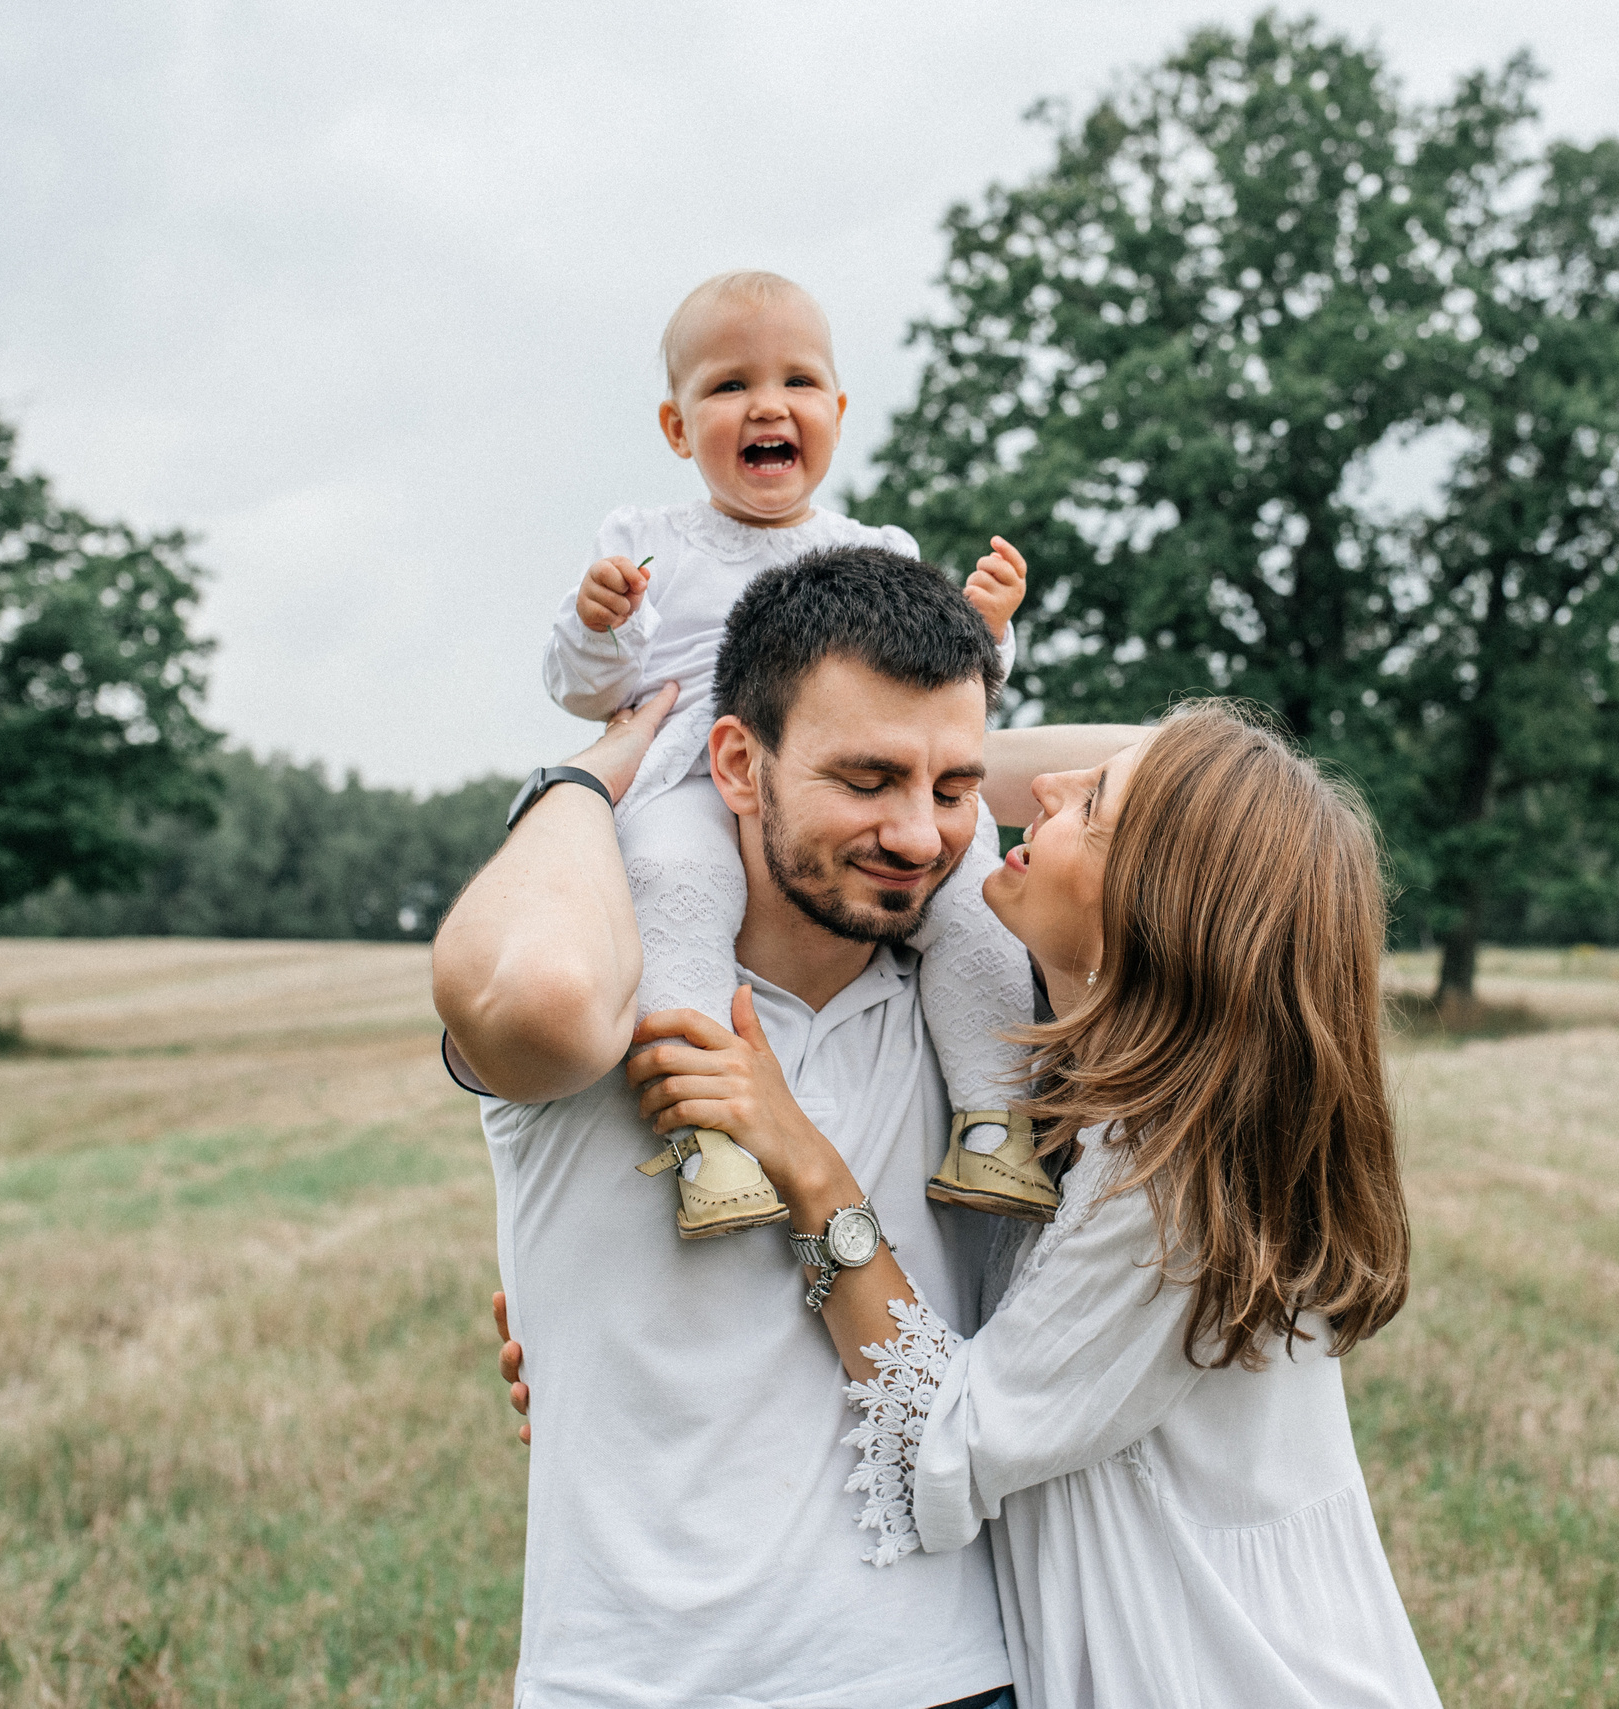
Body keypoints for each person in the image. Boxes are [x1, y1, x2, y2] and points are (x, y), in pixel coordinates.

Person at [580, 702, 1441, 1707]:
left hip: (1221, 1669)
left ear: (1158, 905)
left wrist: (808, 1166)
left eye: (1094, 802)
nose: (1039, 790)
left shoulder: (1166, 1181)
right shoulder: (1099, 1086)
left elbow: (948, 1444)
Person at [438, 545, 1136, 1708]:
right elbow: (533, 1001)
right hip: (633, 1683)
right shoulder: (610, 999)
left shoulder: (981, 1016)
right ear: (735, 765)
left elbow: (1190, 773)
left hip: (947, 1678)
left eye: (954, 789)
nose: (920, 836)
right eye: (865, 778)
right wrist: (593, 772)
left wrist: (921, 736)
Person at [537, 267, 1056, 1240]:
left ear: (838, 410)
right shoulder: (646, 542)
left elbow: (940, 686)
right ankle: (709, 1135)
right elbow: (582, 688)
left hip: (843, 785)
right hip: (698, 770)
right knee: (675, 888)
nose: (767, 403)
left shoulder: (879, 545)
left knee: (974, 891)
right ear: (677, 427)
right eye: (729, 385)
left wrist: (987, 628)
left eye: (798, 381)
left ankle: (994, 1120)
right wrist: (597, 625)